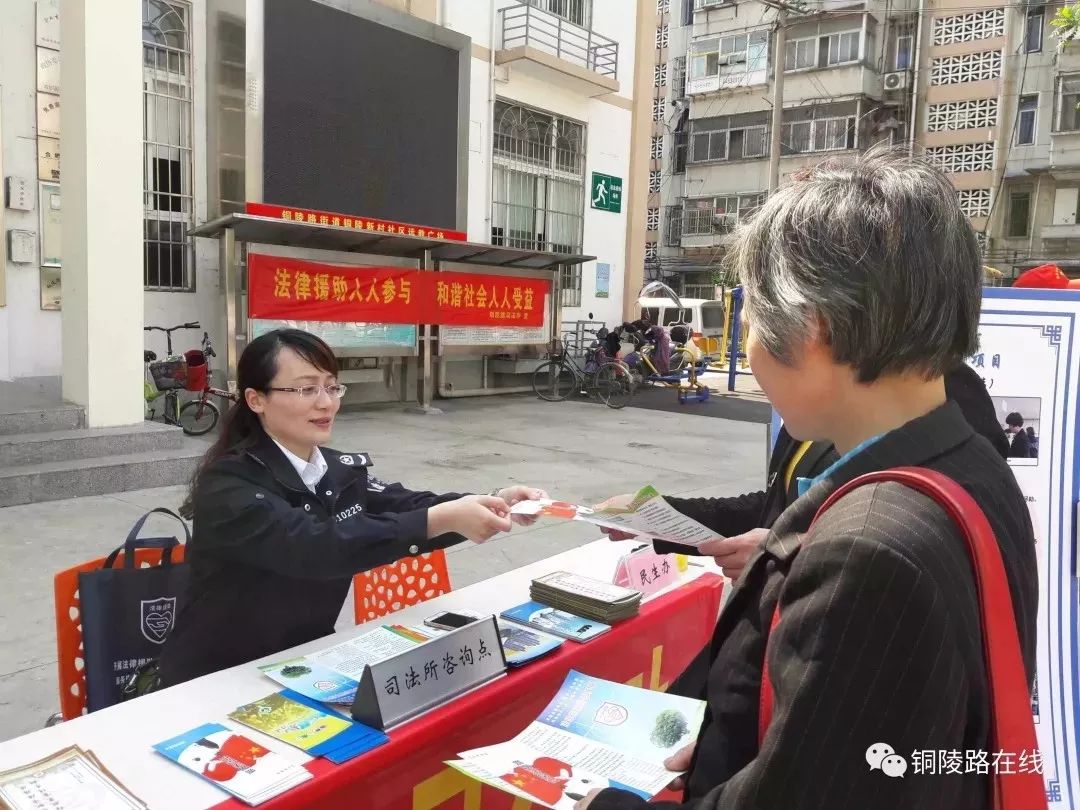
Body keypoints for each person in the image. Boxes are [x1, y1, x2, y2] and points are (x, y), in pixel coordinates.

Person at [577, 149, 1037, 809]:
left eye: (754, 315)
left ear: (812, 326)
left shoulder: (867, 549)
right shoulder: (968, 463)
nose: (750, 339)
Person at [155, 329, 545, 687]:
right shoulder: (229, 485)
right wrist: (437, 520)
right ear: (256, 399)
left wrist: (488, 500)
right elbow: (316, 547)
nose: (326, 403)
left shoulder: (337, 469)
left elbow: (405, 503)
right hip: (214, 676)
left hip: (300, 661)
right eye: (306, 390)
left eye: (331, 387)